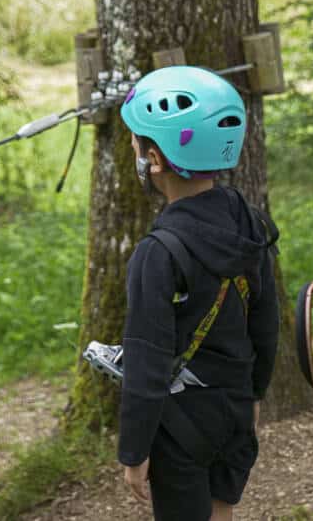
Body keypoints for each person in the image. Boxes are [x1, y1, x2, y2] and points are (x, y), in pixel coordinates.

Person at [117, 65, 278, 521]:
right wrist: (255, 396)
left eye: (136, 142)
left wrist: (134, 450)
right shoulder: (249, 222)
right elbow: (265, 322)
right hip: (234, 406)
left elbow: (147, 356)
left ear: (155, 160)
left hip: (181, 418)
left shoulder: (157, 252)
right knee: (220, 511)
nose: (134, 150)